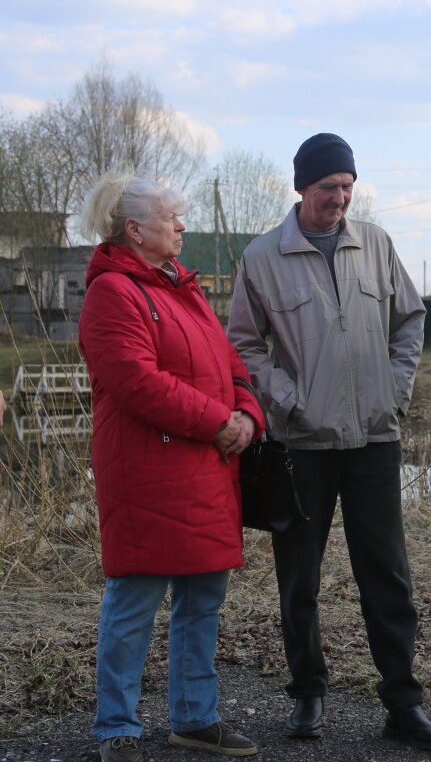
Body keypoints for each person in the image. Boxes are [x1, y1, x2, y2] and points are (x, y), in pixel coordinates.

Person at [227, 133, 431, 752]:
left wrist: (396, 390)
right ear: (302, 188)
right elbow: (241, 347)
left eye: (348, 186)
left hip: (375, 438)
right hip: (301, 444)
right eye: (329, 187)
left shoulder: (374, 243)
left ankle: (404, 702)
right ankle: (307, 696)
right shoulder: (262, 257)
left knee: (388, 573)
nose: (341, 198)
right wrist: (287, 400)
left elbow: (409, 320)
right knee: (299, 576)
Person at [78, 169, 264, 762]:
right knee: (134, 603)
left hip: (206, 468)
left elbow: (231, 360)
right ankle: (117, 727)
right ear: (135, 229)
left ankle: (194, 718)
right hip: (147, 471)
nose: (182, 226)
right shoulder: (113, 293)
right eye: (171, 217)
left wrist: (249, 417)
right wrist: (219, 422)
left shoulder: (181, 288)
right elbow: (136, 381)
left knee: (202, 600)